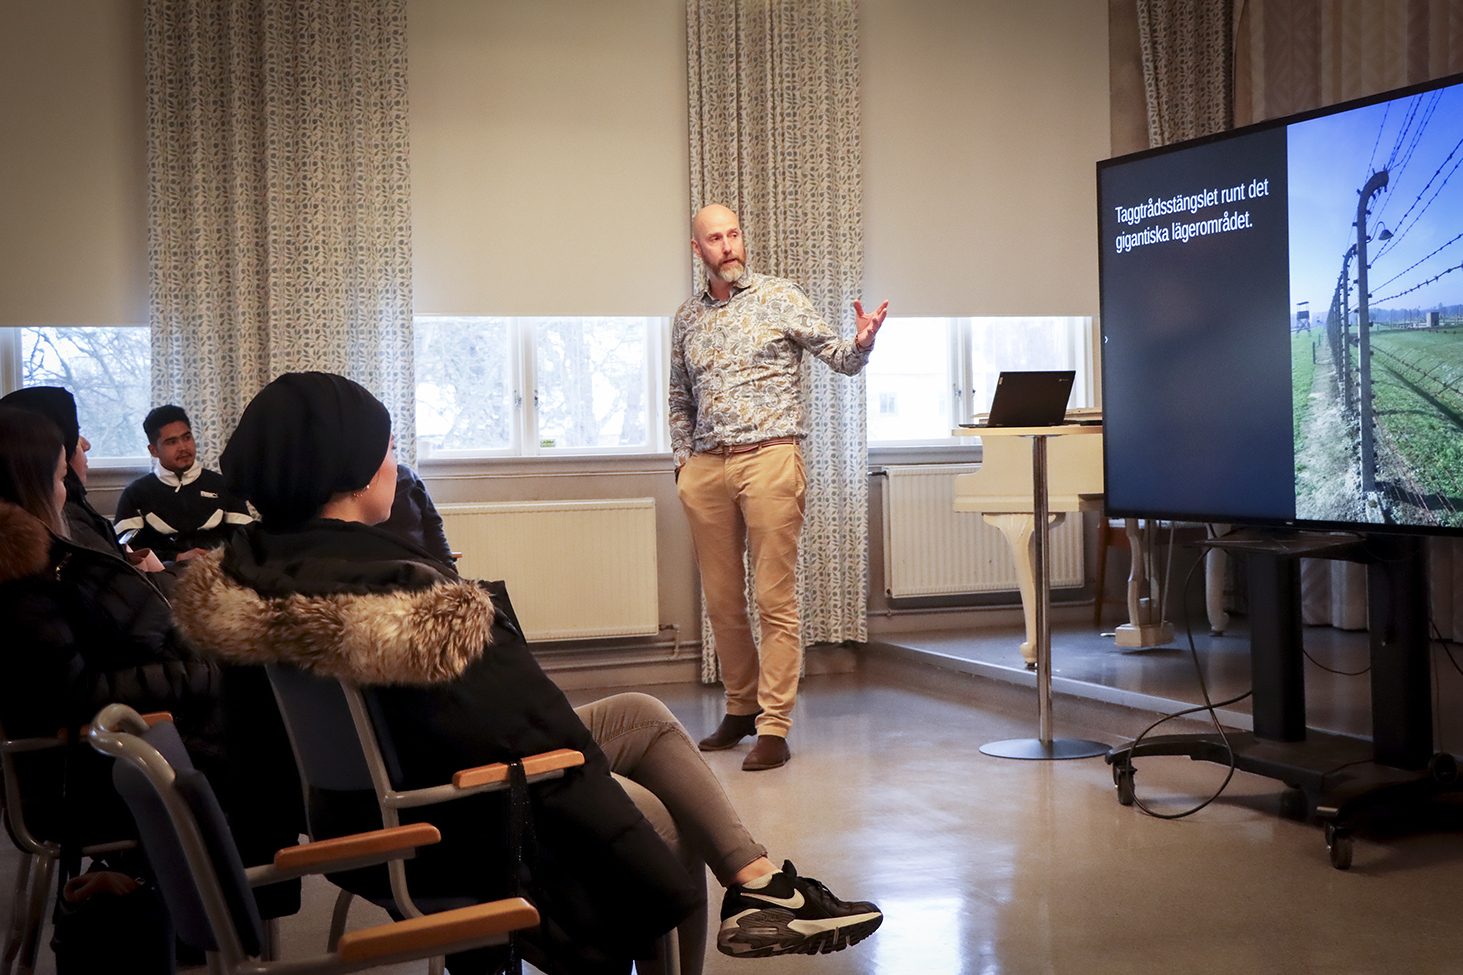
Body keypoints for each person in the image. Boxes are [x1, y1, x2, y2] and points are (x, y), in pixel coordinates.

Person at [169, 372, 883, 974]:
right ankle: (748, 892)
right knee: (663, 820)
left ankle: (759, 885)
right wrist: (630, 845)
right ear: (350, 471)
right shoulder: (409, 598)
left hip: (362, 810)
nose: (395, 463)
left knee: (637, 710)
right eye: (388, 449)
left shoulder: (248, 577)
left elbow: (251, 751)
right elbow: (536, 737)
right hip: (454, 822)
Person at [670, 204, 889, 771]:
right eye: (715, 239)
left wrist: (862, 342)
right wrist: (683, 464)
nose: (728, 245)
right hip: (707, 469)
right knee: (722, 602)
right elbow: (679, 397)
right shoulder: (687, 318)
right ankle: (740, 708)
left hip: (770, 458)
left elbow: (839, 358)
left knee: (774, 598)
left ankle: (773, 725)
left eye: (734, 234)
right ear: (699, 250)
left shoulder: (780, 295)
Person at [0, 406, 222, 847]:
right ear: (31, 483)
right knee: (257, 732)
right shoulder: (24, 580)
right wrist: (195, 674)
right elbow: (79, 693)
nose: (67, 493)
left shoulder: (37, 562)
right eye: (62, 478)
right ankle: (244, 890)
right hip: (83, 773)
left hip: (104, 751)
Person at [0, 386, 165, 572]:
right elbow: (121, 585)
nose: (87, 444)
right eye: (75, 434)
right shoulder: (69, 517)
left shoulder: (73, 508)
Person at [113, 404, 255, 561]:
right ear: (153, 451)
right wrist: (177, 557)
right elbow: (126, 550)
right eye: (171, 442)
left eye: (187, 437)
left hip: (221, 573)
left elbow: (246, 540)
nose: (183, 447)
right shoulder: (136, 494)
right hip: (162, 578)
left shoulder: (223, 485)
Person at [378, 461, 454, 565]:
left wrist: (448, 564)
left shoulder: (407, 475)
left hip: (421, 564)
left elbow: (433, 526)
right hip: (383, 568)